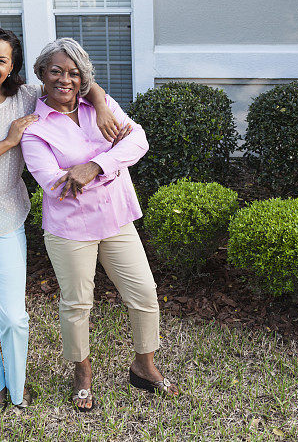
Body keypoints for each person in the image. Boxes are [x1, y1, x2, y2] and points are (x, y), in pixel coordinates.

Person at [0, 25, 118, 410]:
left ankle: (17, 383)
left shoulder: (25, 96)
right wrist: (9, 142)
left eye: (2, 60)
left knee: (13, 313)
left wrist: (99, 104)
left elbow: (75, 77)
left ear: (12, 69)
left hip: (6, 219)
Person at [21, 38, 180, 413]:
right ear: (42, 73)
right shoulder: (34, 128)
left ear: (84, 79)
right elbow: (55, 183)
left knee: (144, 293)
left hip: (116, 218)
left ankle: (144, 365)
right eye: (56, 71)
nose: (65, 80)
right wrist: (112, 161)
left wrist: (96, 165)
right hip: (69, 228)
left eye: (74, 73)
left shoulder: (101, 109)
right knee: (77, 303)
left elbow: (138, 141)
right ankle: (83, 373)